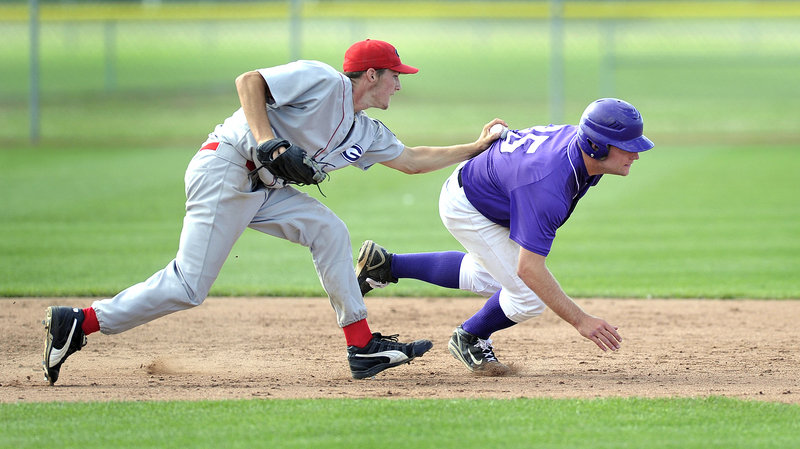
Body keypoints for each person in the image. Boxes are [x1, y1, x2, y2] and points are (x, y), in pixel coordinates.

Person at [42, 39, 507, 384]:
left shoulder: (366, 131)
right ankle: (78, 322)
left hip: (264, 189)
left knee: (328, 231)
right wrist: (268, 140)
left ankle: (362, 345)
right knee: (188, 285)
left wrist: (476, 147)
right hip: (226, 167)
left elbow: (411, 160)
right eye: (394, 75)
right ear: (370, 75)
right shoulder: (322, 81)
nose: (398, 84)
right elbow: (250, 83)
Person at [355, 98, 654, 375]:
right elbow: (530, 269)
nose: (636, 154)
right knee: (528, 295)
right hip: (470, 206)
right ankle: (470, 337)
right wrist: (581, 320)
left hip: (489, 189)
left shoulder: (581, 148)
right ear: (596, 146)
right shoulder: (548, 185)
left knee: (492, 277)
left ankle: (386, 266)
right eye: (627, 146)